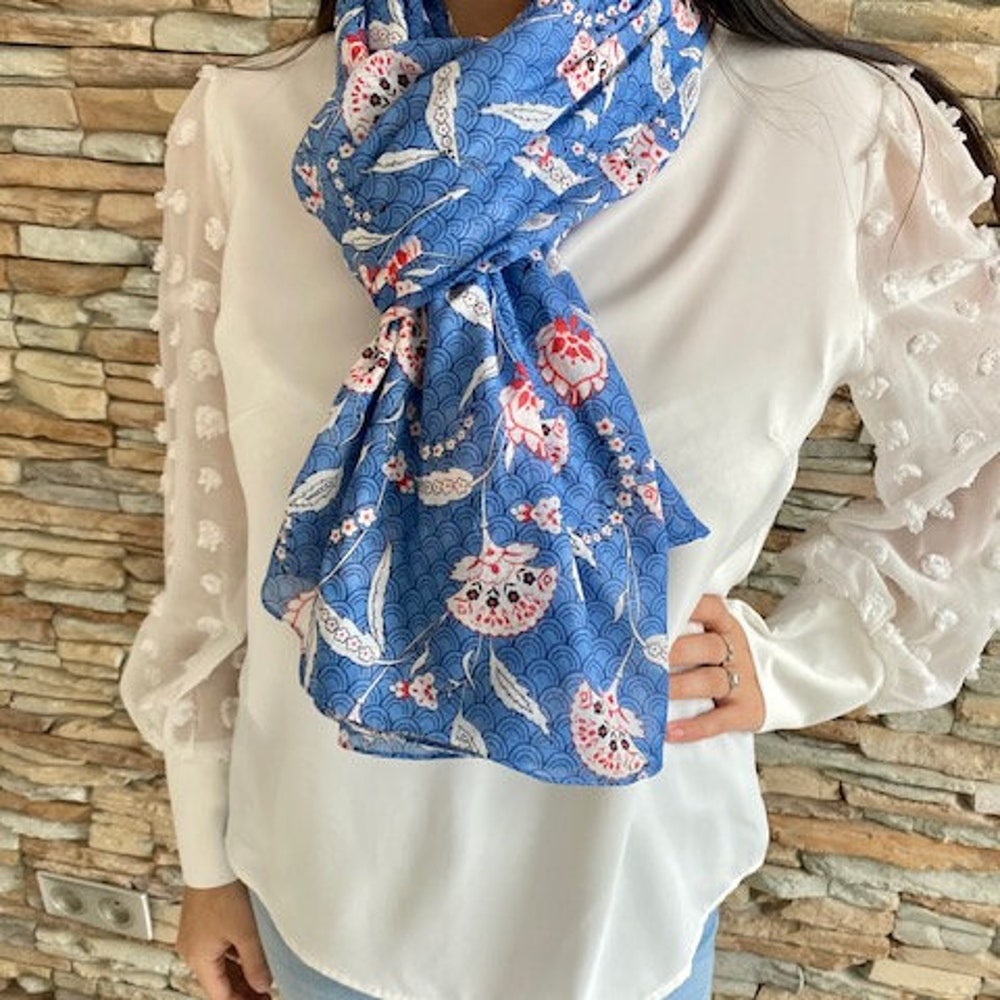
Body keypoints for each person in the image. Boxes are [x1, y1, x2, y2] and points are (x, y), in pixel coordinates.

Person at [119, 0, 1000, 997]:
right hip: (316, 896)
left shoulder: (840, 134)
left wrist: (808, 657)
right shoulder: (246, 122)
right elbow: (215, 548)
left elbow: (981, 447)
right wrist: (206, 860)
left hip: (622, 918)